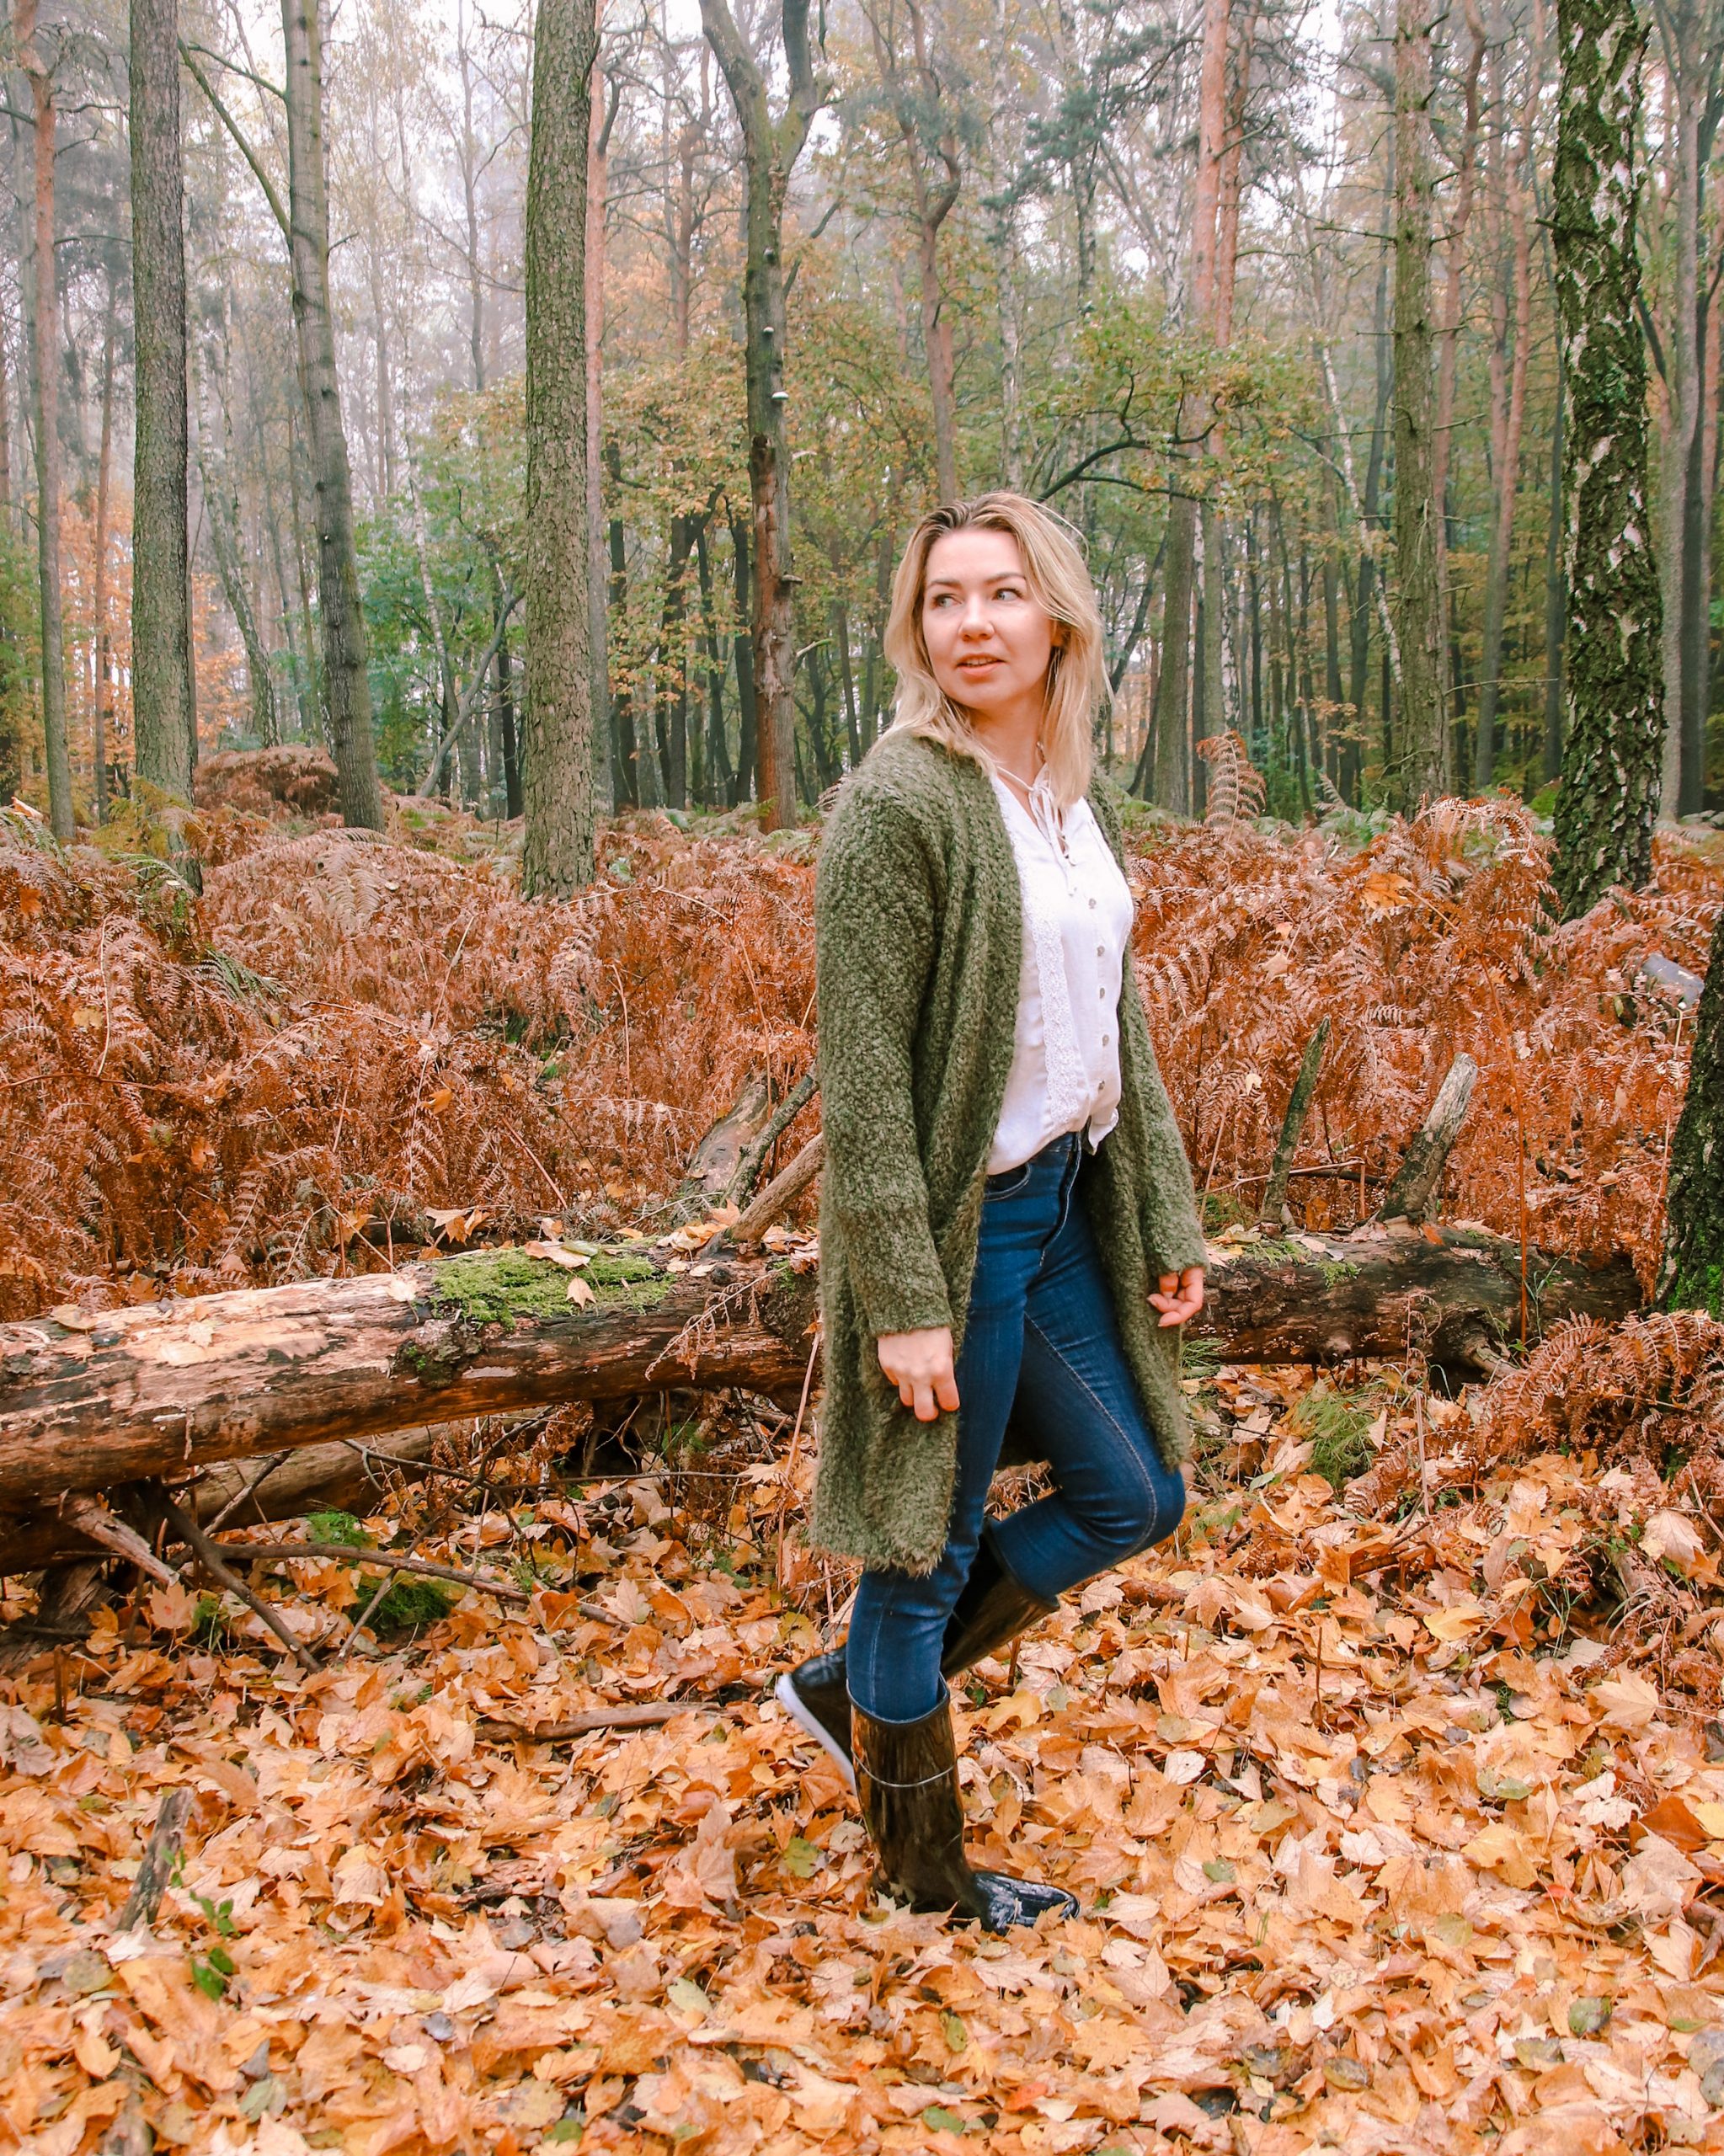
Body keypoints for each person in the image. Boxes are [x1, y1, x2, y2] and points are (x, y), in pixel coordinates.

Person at [776, 492, 1208, 1932]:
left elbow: (1118, 1024)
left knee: (1136, 1494)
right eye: (945, 599)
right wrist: (905, 1302)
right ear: (918, 628)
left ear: (1059, 621)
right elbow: (864, 1081)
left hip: (1068, 1206)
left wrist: (1165, 1220)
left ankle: (851, 1695)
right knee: (924, 1557)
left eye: (1002, 594)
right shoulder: (901, 803)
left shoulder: (1068, 793)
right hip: (963, 1235)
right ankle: (928, 1873)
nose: (973, 623)